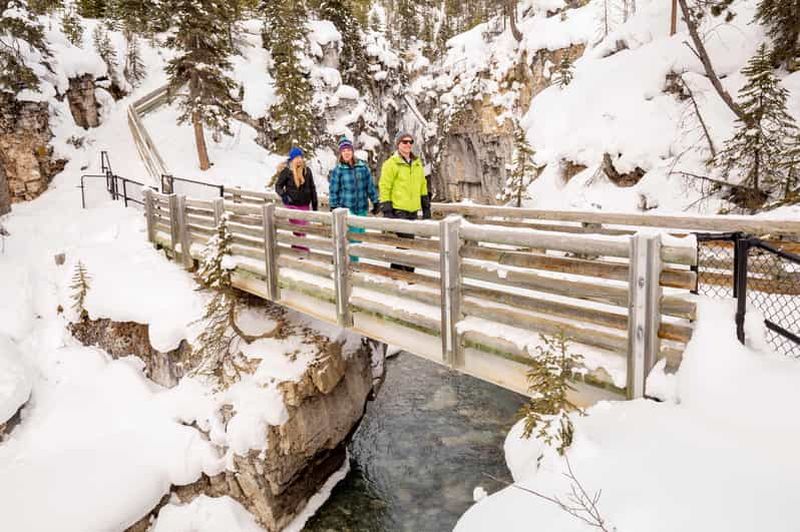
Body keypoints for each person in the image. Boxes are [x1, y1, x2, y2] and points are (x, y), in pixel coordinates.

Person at [379, 131, 431, 272]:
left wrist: (426, 208)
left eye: (410, 142)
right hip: (398, 210)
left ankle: (395, 271)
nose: (408, 144)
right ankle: (408, 274)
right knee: (407, 243)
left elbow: (422, 185)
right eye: (405, 142)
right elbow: (384, 186)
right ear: (398, 144)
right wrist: (387, 209)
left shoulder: (417, 163)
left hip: (413, 210)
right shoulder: (391, 164)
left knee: (404, 243)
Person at [328, 136, 380, 262]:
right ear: (341, 153)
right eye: (344, 150)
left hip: (362, 208)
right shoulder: (338, 170)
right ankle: (353, 266)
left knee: (359, 238)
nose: (346, 153)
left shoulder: (362, 168)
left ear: (352, 151)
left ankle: (346, 262)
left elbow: (370, 186)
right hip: (347, 210)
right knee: (353, 239)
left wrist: (375, 201)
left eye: (348, 150)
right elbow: (333, 190)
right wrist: (334, 206)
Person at [275, 147, 318, 251]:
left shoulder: (307, 171)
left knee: (301, 230)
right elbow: (278, 186)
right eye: (296, 157)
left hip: (305, 205)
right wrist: (285, 196)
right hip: (292, 205)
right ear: (292, 159)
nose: (299, 159)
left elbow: (312, 187)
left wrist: (315, 204)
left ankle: (296, 249)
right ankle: (303, 250)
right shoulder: (287, 171)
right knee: (299, 229)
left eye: (300, 157)